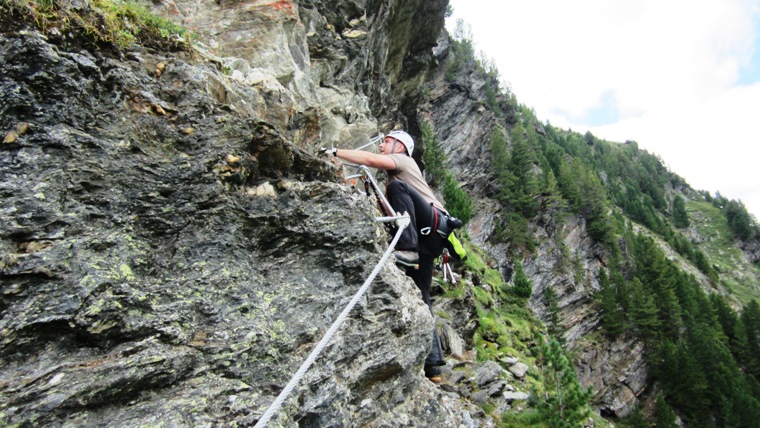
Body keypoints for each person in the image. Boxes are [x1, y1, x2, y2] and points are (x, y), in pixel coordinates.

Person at [322, 130, 452, 383]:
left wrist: (335, 152)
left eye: (387, 142)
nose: (382, 145)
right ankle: (433, 366)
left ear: (401, 147)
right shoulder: (401, 178)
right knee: (422, 296)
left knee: (396, 186)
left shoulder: (405, 163)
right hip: (432, 238)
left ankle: (408, 249)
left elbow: (370, 160)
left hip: (430, 227)